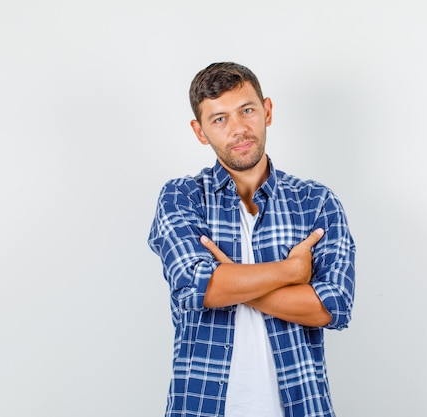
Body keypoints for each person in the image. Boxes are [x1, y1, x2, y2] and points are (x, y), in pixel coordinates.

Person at [148, 62, 356, 417]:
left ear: (267, 111)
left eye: (247, 110)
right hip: (201, 407)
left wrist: (231, 278)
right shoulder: (181, 197)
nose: (239, 129)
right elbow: (197, 288)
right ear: (200, 131)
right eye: (219, 119)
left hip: (300, 406)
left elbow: (331, 306)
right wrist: (291, 271)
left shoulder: (315, 202)